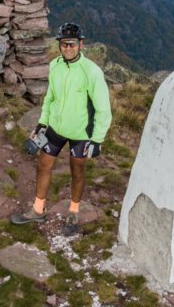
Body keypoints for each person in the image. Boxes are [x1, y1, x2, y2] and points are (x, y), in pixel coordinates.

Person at [11, 22, 113, 235]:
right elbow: (50, 97)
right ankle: (38, 209)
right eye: (64, 44)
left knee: (77, 172)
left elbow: (103, 110)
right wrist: (42, 122)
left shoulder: (92, 72)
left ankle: (73, 211)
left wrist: (97, 140)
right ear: (59, 45)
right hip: (55, 128)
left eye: (72, 44)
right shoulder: (55, 66)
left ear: (81, 44)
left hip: (81, 134)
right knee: (43, 165)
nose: (68, 48)